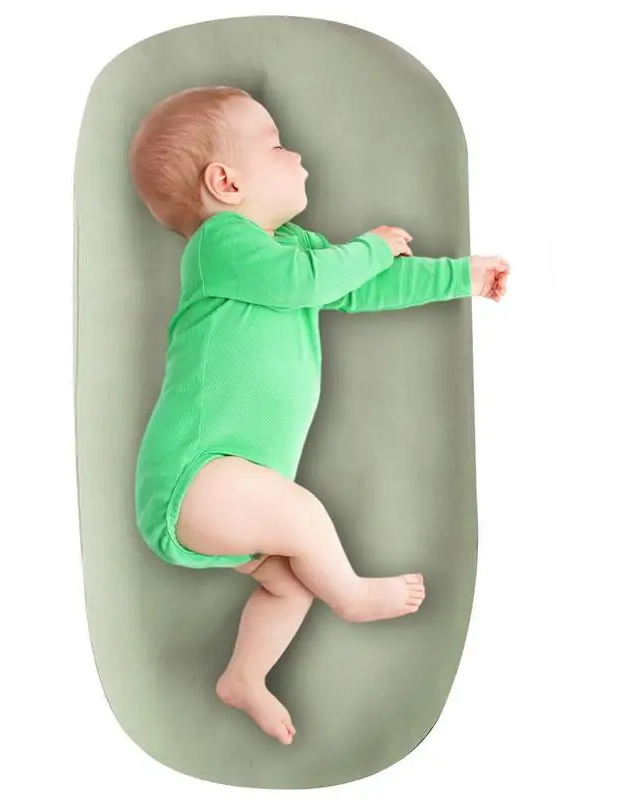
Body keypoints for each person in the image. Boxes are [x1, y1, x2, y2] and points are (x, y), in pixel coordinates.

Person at [128, 86, 510, 746]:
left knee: (293, 584)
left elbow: (355, 285)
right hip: (195, 479)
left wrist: (461, 277)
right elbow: (313, 280)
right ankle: (352, 596)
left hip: (234, 495)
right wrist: (370, 245)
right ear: (226, 183)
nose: (298, 154)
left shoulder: (290, 250)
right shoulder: (222, 243)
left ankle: (244, 677)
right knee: (304, 517)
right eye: (277, 145)